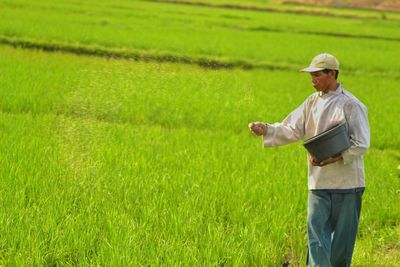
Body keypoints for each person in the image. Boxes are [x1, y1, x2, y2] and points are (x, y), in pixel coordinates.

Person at [249, 53, 370, 267]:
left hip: (348, 185)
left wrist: (333, 158)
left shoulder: (351, 105)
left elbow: (361, 143)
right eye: (311, 75)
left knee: (342, 245)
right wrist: (265, 129)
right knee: (316, 240)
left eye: (317, 75)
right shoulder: (311, 102)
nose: (312, 80)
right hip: (318, 183)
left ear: (332, 74)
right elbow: (291, 128)